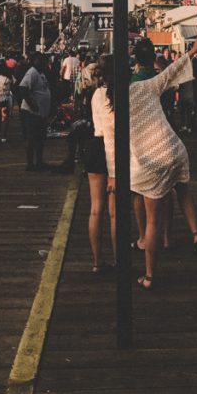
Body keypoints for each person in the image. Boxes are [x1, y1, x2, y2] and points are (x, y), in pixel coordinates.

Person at [130, 36, 197, 289]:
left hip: (149, 157)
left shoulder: (122, 93)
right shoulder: (152, 83)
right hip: (173, 147)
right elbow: (174, 71)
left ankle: (149, 275)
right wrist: (192, 51)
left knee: (151, 220)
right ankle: (188, 235)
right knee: (181, 190)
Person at [87, 54, 116, 273]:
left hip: (94, 147)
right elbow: (111, 133)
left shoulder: (96, 93)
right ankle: (118, 259)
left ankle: (97, 261)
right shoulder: (114, 96)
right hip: (110, 150)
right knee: (114, 212)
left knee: (96, 209)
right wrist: (114, 171)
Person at [19, 52, 52, 171]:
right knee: (32, 139)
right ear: (34, 61)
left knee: (40, 139)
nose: (42, 62)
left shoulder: (41, 73)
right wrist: (32, 104)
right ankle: (30, 164)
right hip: (31, 112)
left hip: (41, 113)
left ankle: (39, 162)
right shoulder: (32, 72)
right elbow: (23, 88)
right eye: (40, 60)